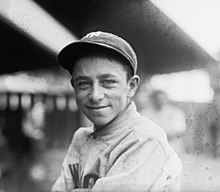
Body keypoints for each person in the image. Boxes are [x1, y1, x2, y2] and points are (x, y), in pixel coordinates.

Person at [51, 31, 182, 192]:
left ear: (131, 86)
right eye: (84, 83)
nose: (95, 95)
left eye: (108, 82)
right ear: (74, 86)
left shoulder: (145, 139)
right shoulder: (81, 139)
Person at [141, 90, 187, 155]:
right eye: (157, 99)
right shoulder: (146, 113)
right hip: (153, 150)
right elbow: (143, 132)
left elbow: (179, 130)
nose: (159, 101)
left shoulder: (175, 112)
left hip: (172, 148)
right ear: (152, 100)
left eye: (162, 99)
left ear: (166, 99)